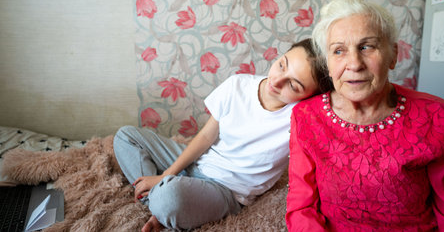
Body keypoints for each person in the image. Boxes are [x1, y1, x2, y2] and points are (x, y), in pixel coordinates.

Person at [113, 38, 333, 231]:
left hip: (225, 191)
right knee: (126, 136)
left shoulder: (301, 117)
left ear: (309, 97)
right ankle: (161, 200)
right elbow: (205, 137)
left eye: (293, 85)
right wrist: (166, 175)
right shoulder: (238, 84)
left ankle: (165, 204)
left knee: (169, 197)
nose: (277, 81)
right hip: (200, 162)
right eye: (281, 65)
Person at [286, 0, 444, 231]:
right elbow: (302, 206)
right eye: (339, 51)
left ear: (393, 55)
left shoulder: (438, 116)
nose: (354, 64)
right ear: (328, 65)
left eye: (366, 47)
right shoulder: (306, 117)